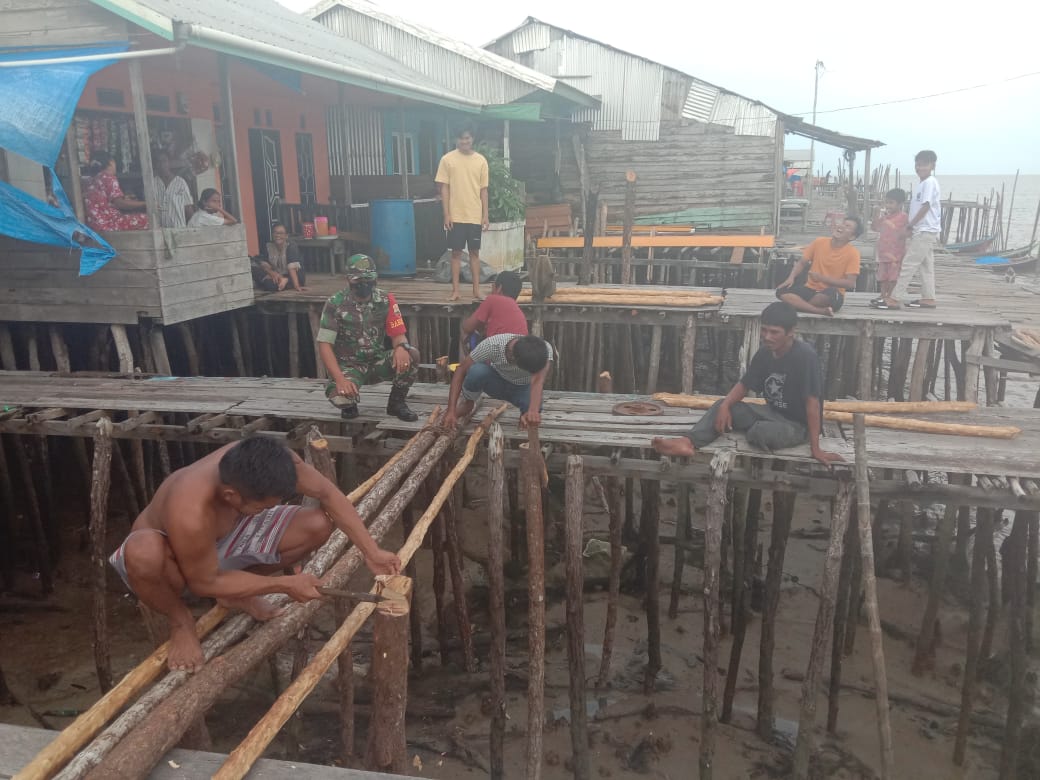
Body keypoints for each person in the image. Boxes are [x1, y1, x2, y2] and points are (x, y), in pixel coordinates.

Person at [108, 436, 401, 672]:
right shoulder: (190, 511)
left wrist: (370, 550)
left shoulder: (275, 461)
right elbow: (202, 583)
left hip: (225, 539)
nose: (267, 511)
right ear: (231, 497)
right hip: (176, 561)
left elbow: (327, 494)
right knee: (142, 553)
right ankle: (181, 621)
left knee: (317, 523)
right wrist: (282, 584)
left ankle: (236, 589)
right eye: (262, 507)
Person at [652, 302, 843, 466]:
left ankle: (751, 428)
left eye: (774, 332)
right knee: (722, 405)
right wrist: (727, 405)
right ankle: (688, 442)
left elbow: (813, 404)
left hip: (798, 426)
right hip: (772, 413)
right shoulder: (764, 353)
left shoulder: (805, 356)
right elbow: (744, 385)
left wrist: (816, 448)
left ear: (791, 332)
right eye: (764, 330)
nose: (767, 336)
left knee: (758, 433)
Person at [316, 254, 420, 422]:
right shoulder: (335, 303)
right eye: (358, 280)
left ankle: (396, 403)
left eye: (368, 279)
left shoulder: (386, 300)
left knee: (411, 354)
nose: (364, 284)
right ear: (348, 279)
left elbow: (398, 334)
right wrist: (340, 380)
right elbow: (324, 345)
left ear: (376, 278)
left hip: (376, 362)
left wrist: (401, 347)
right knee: (340, 398)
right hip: (349, 367)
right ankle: (350, 403)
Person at [872, 150, 941, 310]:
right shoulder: (923, 184)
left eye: (924, 164)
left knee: (909, 264)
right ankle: (929, 298)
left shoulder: (930, 182)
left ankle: (894, 298)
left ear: (932, 166)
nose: (920, 167)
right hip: (924, 230)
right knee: (926, 266)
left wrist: (910, 225)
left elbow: (926, 206)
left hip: (925, 230)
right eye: (918, 164)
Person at [443, 333, 552, 431]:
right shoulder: (492, 345)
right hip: (496, 383)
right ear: (514, 360)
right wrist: (451, 410)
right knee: (477, 371)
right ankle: (468, 402)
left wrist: (532, 410)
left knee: (530, 418)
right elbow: (461, 369)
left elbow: (538, 379)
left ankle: (525, 414)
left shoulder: (544, 349)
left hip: (523, 388)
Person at [435, 127, 489, 302]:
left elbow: (484, 190)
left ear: (472, 138)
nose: (464, 141)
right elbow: (444, 188)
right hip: (456, 215)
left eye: (467, 138)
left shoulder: (481, 161)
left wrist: (485, 215)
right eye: (461, 138)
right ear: (456, 140)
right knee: (456, 253)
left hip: (474, 214)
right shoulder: (447, 159)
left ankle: (476, 290)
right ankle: (455, 291)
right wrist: (446, 214)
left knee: (474, 253)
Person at [776, 216, 862, 316]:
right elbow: (802, 262)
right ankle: (818, 311)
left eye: (847, 226)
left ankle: (799, 305)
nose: (842, 226)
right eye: (842, 223)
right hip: (810, 289)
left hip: (830, 293)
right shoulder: (819, 242)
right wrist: (791, 278)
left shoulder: (853, 253)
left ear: (852, 237)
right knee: (781, 291)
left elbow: (850, 284)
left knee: (829, 295)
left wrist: (822, 278)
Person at [460, 271, 527, 352]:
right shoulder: (517, 310)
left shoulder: (492, 299)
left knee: (466, 333)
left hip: (497, 357)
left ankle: (471, 363)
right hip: (519, 357)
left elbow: (467, 327)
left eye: (493, 286)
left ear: (499, 288)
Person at [83, 151, 148, 232]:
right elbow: (120, 203)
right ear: (111, 162)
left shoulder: (90, 180)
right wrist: (144, 204)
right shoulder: (109, 178)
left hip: (93, 226)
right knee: (148, 220)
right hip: (109, 224)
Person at [870, 189, 909, 304]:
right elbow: (874, 227)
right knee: (882, 276)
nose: (888, 205)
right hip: (883, 252)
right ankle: (882, 295)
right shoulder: (885, 217)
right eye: (886, 202)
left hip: (896, 253)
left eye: (891, 203)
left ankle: (890, 295)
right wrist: (875, 215)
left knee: (893, 276)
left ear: (900, 204)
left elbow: (910, 230)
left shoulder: (904, 217)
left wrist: (904, 236)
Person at [257, 223, 307, 292]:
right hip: (277, 275)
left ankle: (286, 281)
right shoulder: (268, 246)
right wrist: (271, 273)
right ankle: (283, 282)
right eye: (275, 233)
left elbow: (292, 268)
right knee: (269, 285)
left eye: (281, 233)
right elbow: (264, 264)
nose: (278, 235)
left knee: (300, 279)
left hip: (292, 275)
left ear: (286, 236)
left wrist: (296, 286)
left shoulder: (291, 246)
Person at [151, 151, 193, 228]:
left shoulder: (180, 182)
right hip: (159, 230)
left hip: (178, 228)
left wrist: (190, 228)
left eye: (164, 161)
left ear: (169, 163)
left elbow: (188, 207)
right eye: (158, 162)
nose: (161, 164)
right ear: (155, 165)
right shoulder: (152, 184)